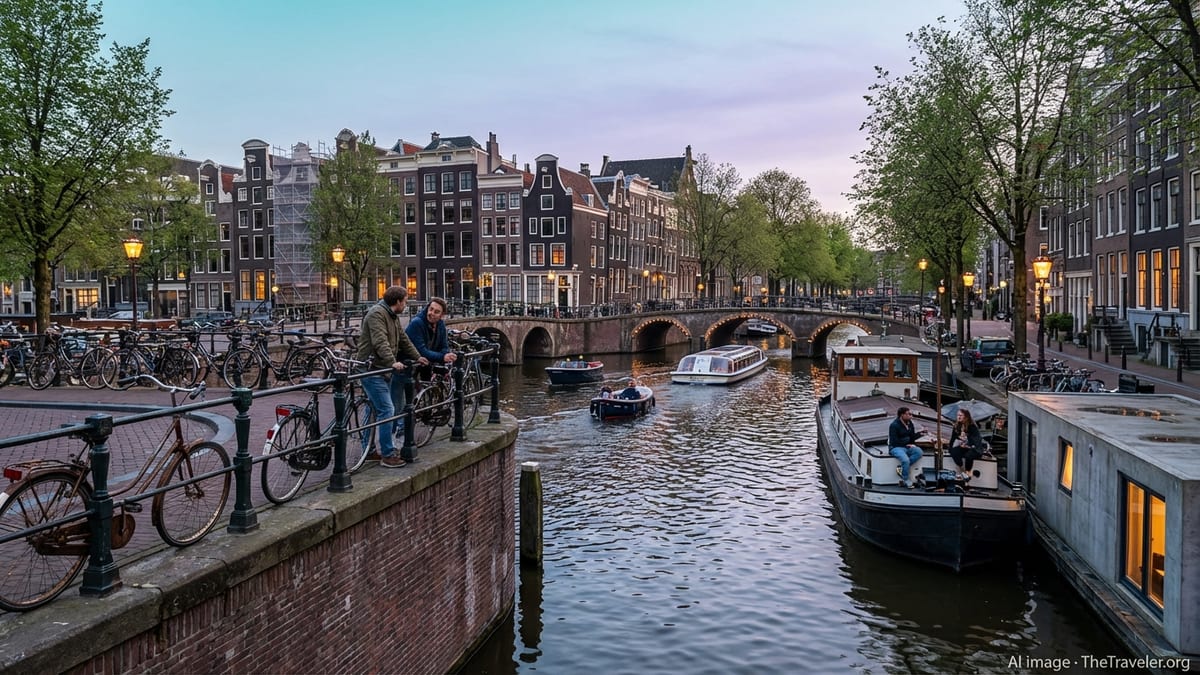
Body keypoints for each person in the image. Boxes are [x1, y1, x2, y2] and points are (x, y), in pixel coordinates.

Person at [357, 285, 427, 468]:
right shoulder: (377, 314)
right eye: (405, 301)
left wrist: (417, 356)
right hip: (371, 368)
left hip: (380, 369)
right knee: (387, 409)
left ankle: (369, 450)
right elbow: (380, 341)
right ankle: (387, 455)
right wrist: (392, 362)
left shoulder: (392, 316)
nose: (406, 304)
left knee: (373, 408)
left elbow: (403, 339)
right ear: (397, 301)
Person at [405, 296, 458, 368]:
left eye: (436, 312)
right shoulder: (416, 323)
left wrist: (447, 355)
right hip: (410, 366)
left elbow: (444, 346)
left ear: (442, 315)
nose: (432, 313)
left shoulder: (440, 324)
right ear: (427, 308)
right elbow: (421, 351)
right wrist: (442, 357)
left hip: (427, 365)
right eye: (431, 309)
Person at [888, 406, 924, 488]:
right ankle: (905, 479)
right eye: (909, 414)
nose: (911, 416)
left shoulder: (910, 423)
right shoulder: (894, 425)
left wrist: (920, 434)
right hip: (895, 447)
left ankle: (902, 468)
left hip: (907, 447)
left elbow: (912, 437)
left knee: (919, 452)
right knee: (905, 460)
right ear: (902, 415)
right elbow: (894, 441)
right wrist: (906, 443)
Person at [949, 408, 985, 480]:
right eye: (958, 415)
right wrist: (950, 447)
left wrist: (968, 443)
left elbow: (976, 440)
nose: (958, 417)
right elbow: (953, 438)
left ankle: (967, 472)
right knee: (954, 451)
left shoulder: (972, 427)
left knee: (969, 456)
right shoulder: (957, 426)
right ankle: (960, 466)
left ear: (966, 417)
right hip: (965, 446)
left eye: (961, 415)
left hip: (975, 448)